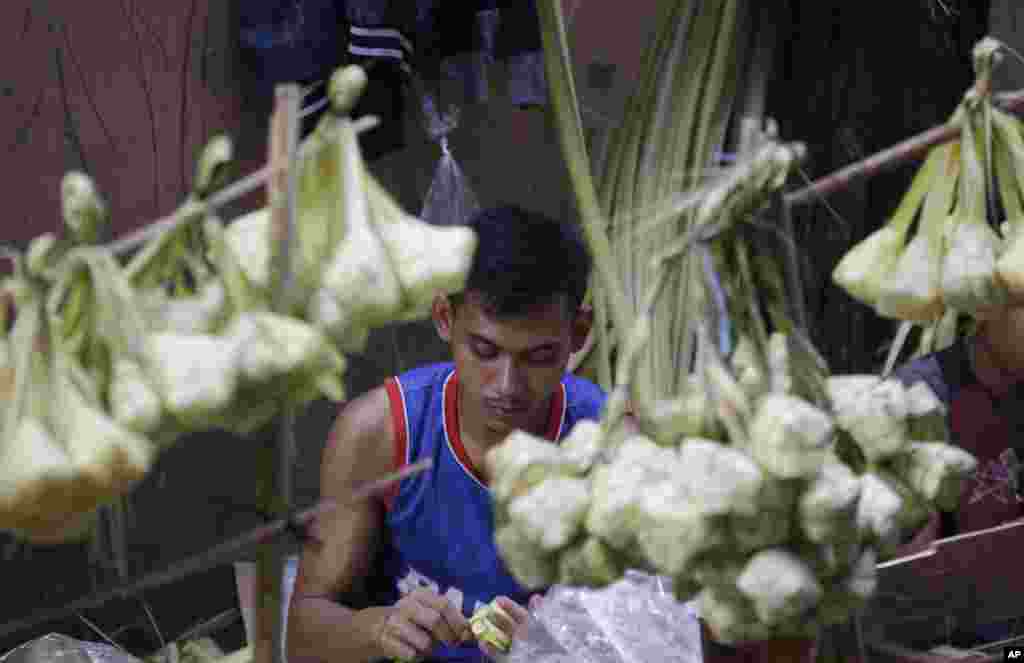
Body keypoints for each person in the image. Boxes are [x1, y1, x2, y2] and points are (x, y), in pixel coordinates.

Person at [287, 205, 606, 662]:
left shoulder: (604, 443)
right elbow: (301, 635)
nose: (507, 386)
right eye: (485, 350)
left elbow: (660, 635)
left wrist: (563, 650)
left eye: (538, 356)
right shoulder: (381, 433)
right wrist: (379, 627)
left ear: (579, 333)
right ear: (443, 318)